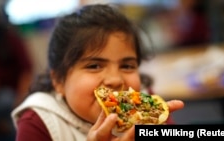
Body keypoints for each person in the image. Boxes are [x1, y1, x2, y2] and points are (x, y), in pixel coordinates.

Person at [11, 4, 184, 141]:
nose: (115, 80)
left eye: (127, 66)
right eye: (94, 66)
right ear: (58, 81)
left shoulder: (146, 102)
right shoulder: (37, 123)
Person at [0, 7, 33, 141]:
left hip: (10, 95)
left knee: (5, 101)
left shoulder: (9, 38)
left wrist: (21, 97)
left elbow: (26, 69)